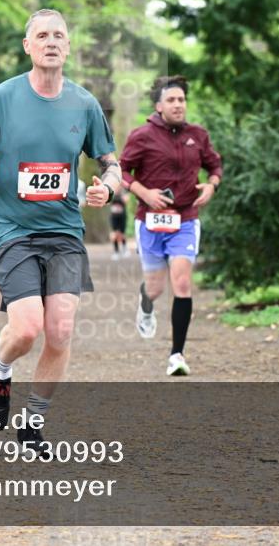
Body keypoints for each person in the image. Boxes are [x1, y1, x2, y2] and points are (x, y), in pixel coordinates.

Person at [0, 8, 120, 453]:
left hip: (65, 231)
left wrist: (106, 187)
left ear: (68, 46)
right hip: (13, 231)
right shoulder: (2, 98)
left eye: (59, 35)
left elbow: (112, 164)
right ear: (27, 46)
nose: (51, 42)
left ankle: (32, 425)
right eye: (42, 35)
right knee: (26, 330)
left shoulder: (84, 105)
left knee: (61, 330)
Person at [120, 75, 222, 376]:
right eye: (172, 100)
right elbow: (122, 171)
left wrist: (211, 185)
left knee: (182, 283)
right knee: (155, 288)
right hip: (149, 221)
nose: (178, 105)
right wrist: (144, 193)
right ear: (158, 106)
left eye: (181, 100)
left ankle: (177, 354)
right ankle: (146, 303)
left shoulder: (198, 135)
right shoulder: (142, 136)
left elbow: (214, 165)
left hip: (186, 219)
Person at [109, 189, 130, 260]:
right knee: (115, 234)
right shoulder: (111, 190)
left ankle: (124, 249)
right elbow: (108, 202)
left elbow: (126, 201)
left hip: (122, 216)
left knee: (122, 233)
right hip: (114, 216)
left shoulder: (124, 191)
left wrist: (120, 196)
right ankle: (116, 251)